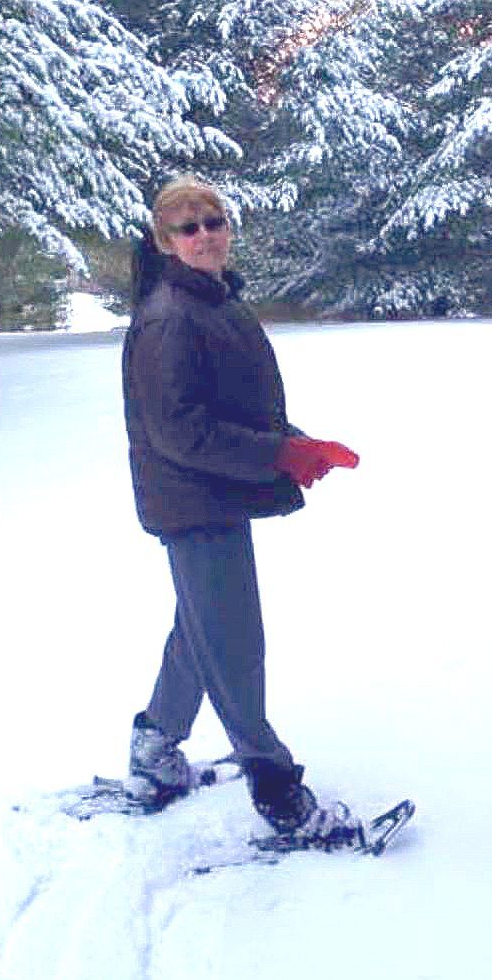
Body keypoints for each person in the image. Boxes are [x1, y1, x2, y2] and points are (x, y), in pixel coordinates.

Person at [120, 175, 363, 841]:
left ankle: (155, 749)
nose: (204, 235)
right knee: (232, 645)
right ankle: (280, 794)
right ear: (165, 241)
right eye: (187, 227)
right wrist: (279, 457)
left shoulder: (214, 302)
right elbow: (181, 432)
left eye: (213, 221)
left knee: (202, 630)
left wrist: (297, 444)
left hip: (212, 492)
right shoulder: (171, 316)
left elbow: (234, 409)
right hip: (192, 497)